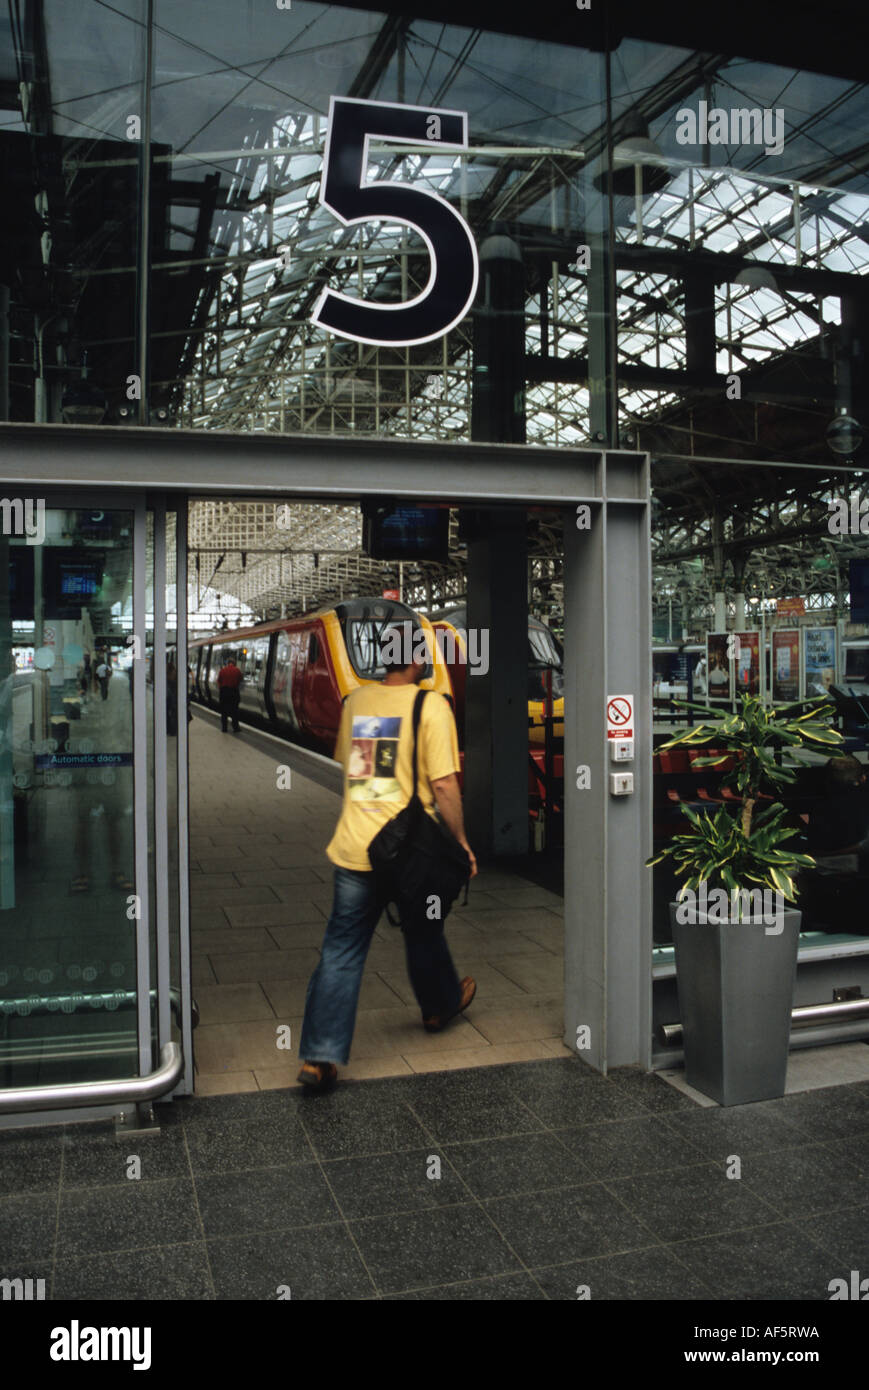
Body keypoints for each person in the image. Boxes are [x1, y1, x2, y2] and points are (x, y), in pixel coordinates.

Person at [297, 619, 478, 1091]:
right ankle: (439, 1006)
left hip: (357, 847)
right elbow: (443, 786)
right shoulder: (431, 706)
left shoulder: (356, 701)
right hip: (411, 853)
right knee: (423, 928)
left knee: (341, 949)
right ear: (420, 659)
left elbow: (357, 771)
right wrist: (460, 842)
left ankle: (319, 1058)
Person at [217, 653, 242, 732]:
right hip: (233, 692)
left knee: (224, 711)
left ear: (227, 663)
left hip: (224, 692)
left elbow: (219, 681)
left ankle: (224, 728)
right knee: (234, 711)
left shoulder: (222, 670)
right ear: (234, 663)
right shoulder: (237, 670)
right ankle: (235, 728)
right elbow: (240, 680)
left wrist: (221, 689)